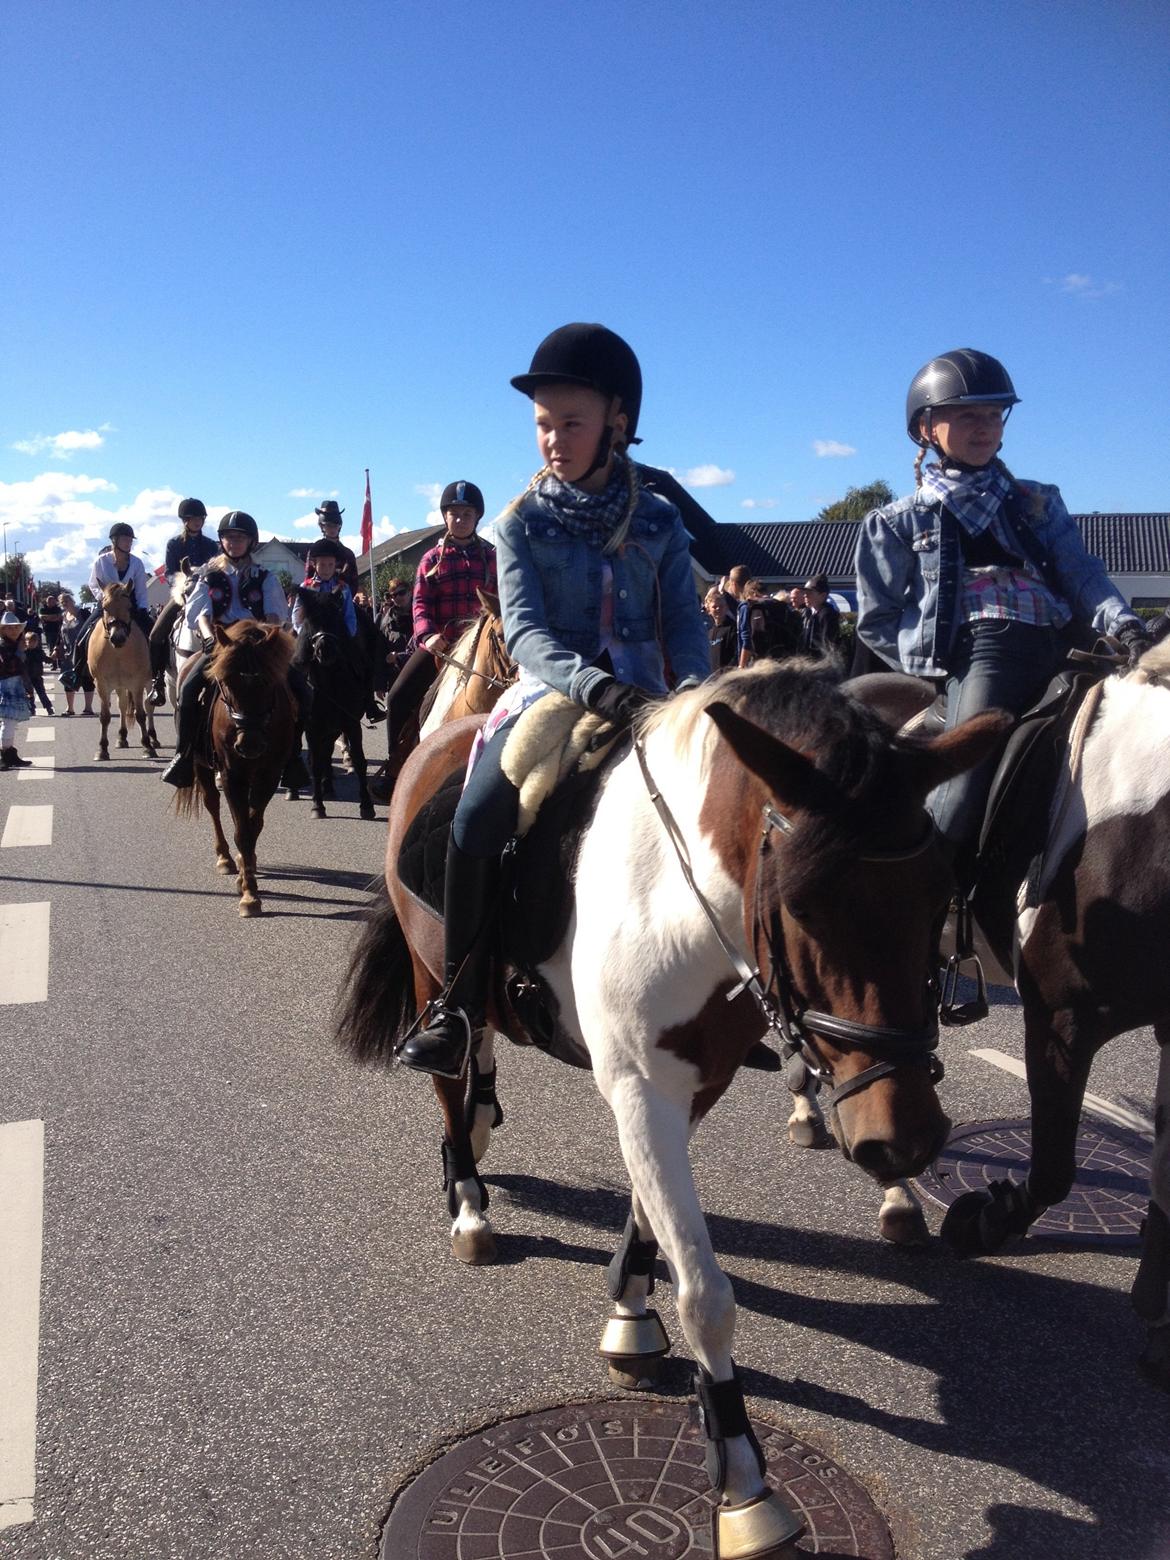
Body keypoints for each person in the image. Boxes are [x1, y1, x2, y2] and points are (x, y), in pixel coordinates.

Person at [399, 321, 709, 1077]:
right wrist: (594, 684)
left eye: (571, 422)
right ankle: (460, 1005)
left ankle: (751, 995)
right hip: (553, 695)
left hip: (653, 696)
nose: (553, 439)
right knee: (474, 817)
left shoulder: (663, 522)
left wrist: (698, 694)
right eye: (544, 424)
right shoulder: (518, 525)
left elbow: (684, 625)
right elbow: (530, 636)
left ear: (619, 423)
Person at [855, 346, 1149, 877]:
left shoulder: (1038, 501)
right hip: (986, 650)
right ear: (926, 428)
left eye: (994, 415)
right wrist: (934, 662)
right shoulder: (895, 521)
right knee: (965, 774)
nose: (985, 427)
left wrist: (1123, 622)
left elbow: (1080, 572)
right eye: (968, 415)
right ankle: (928, 885)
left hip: (1066, 640)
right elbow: (876, 619)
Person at [161, 511, 307, 788]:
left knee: (302, 690)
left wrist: (267, 638)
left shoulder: (265, 577)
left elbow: (276, 615)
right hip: (222, 645)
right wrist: (207, 637)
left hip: (258, 647)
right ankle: (183, 756)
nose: (233, 542)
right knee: (188, 689)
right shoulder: (208, 574)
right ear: (222, 541)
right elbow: (200, 612)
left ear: (251, 542)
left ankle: (293, 758)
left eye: (240, 538)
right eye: (228, 537)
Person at [373, 480, 497, 802]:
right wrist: (427, 634)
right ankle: (396, 768)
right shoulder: (432, 558)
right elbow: (420, 604)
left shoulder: (492, 558)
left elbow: (504, 602)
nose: (460, 519)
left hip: (484, 646)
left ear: (477, 518)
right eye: (454, 513)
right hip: (442, 647)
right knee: (398, 695)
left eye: (466, 513)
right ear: (445, 517)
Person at [147, 498, 219, 707]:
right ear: (185, 520)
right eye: (193, 518)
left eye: (200, 518)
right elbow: (170, 572)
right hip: (184, 594)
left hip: (209, 595)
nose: (198, 521)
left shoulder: (210, 545)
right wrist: (185, 582)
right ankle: (158, 680)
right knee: (156, 634)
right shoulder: (174, 544)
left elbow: (218, 570)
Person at [74, 524, 153, 676]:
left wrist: (142, 610)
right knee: (81, 638)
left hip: (129, 606)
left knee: (155, 635)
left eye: (130, 540)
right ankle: (76, 673)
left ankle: (157, 674)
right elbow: (93, 584)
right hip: (107, 606)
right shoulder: (101, 561)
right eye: (125, 539)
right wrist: (104, 598)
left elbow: (141, 589)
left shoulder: (137, 563)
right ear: (114, 541)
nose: (129, 542)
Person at [0, 612, 35, 767]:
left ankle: (9, 754)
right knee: (8, 722)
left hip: (15, 685)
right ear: (3, 630)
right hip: (6, 686)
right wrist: (20, 651)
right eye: (10, 628)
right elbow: (10, 666)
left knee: (11, 722)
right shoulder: (3, 646)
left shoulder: (15, 644)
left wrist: (28, 687)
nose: (14, 630)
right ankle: (4, 755)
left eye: (16, 627)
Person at [310, 501, 360, 593]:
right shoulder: (314, 552)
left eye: (335, 525)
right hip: (316, 600)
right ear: (322, 526)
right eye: (329, 525)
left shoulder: (348, 554)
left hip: (342, 601)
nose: (332, 529)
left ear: (339, 526)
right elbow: (308, 580)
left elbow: (354, 584)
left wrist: (342, 597)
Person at [56, 595, 93, 715]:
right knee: (67, 679)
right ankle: (70, 708)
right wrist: (57, 648)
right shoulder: (64, 616)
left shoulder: (83, 613)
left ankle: (88, 708)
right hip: (68, 653)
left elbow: (93, 628)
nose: (64, 603)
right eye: (62, 602)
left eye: (66, 601)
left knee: (86, 679)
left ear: (72, 600)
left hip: (84, 651)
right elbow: (60, 634)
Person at [800, 572, 841, 657]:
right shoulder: (807, 613)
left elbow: (828, 643)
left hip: (821, 663)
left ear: (823, 596)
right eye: (804, 592)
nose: (805, 596)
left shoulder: (828, 615)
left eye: (810, 592)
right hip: (806, 660)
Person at [703, 586, 737, 672]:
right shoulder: (709, 632)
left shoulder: (732, 629)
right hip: (711, 678)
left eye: (721, 606)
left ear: (726, 608)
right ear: (709, 610)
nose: (718, 609)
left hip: (727, 677)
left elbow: (737, 655)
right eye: (714, 607)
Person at [22, 626, 54, 716]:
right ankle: (31, 709)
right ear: (26, 642)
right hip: (26, 676)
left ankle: (48, 707)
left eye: (34, 642)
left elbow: (45, 659)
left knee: (41, 693)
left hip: (37, 676)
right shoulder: (24, 652)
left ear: (37, 642)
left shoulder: (39, 651)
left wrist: (52, 659)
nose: (32, 644)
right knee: (29, 694)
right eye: (29, 642)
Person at [38, 593, 63, 664]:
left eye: (53, 601)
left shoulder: (58, 609)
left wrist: (48, 618)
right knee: (50, 647)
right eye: (49, 601)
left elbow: (59, 617)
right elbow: (42, 617)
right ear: (47, 602)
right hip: (48, 630)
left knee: (58, 646)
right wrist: (53, 617)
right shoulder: (42, 609)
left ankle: (60, 662)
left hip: (57, 630)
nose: (51, 602)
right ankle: (53, 663)